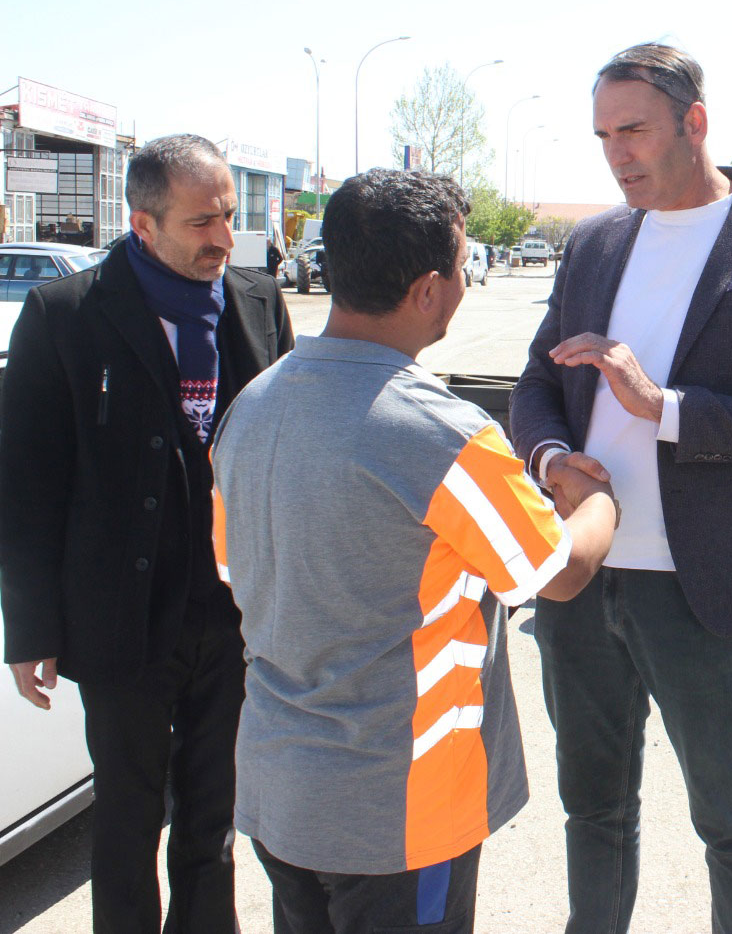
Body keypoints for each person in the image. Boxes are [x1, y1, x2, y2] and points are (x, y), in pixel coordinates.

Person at [211, 169, 618, 931]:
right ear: (429, 289)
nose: (463, 283)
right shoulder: (441, 431)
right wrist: (598, 500)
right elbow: (558, 572)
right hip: (400, 811)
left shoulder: (252, 406)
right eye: (461, 268)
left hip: (280, 791)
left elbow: (237, 569)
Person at [509, 42, 732, 934]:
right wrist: (551, 460)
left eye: (633, 131)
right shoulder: (594, 242)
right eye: (603, 136)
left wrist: (663, 408)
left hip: (707, 585)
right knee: (593, 809)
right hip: (584, 575)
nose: (616, 154)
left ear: (694, 122)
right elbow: (537, 380)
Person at [1, 134, 293, 933]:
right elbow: (26, 484)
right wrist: (31, 628)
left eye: (228, 216)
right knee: (127, 820)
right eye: (202, 222)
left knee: (213, 820)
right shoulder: (66, 314)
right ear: (143, 224)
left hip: (231, 615)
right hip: (119, 618)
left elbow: (285, 444)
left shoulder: (258, 300)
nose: (224, 238)